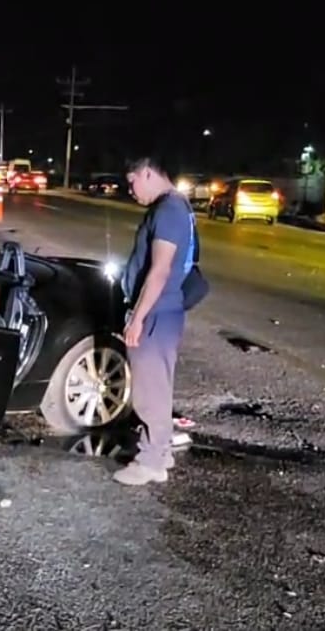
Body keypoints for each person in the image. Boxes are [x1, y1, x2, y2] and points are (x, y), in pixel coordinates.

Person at [113, 155, 196, 486]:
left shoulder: (169, 210)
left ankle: (150, 462)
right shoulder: (176, 207)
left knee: (150, 392)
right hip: (162, 312)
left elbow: (160, 270)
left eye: (132, 181)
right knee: (157, 388)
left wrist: (137, 317)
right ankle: (161, 453)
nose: (130, 189)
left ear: (147, 173)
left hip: (157, 313)